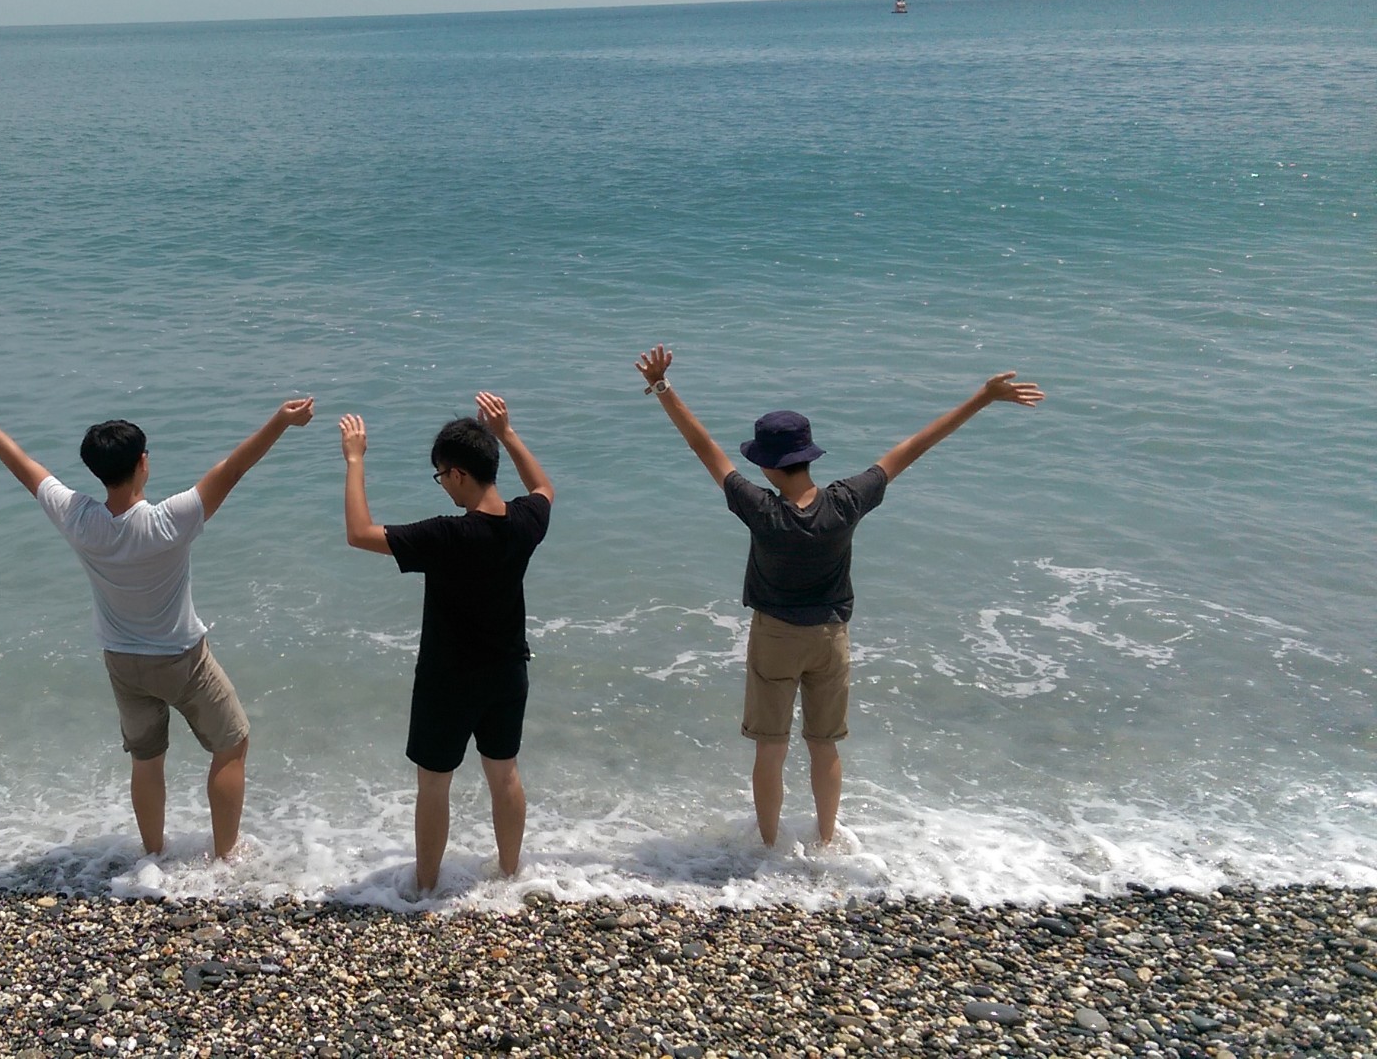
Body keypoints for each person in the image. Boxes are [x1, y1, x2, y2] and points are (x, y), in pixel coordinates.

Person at [632, 345, 1044, 848]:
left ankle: (768, 848)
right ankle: (826, 842)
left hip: (775, 638)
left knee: (770, 748)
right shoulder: (846, 502)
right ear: (807, 457)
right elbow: (913, 447)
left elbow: (704, 448)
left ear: (768, 466)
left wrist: (662, 388)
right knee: (824, 747)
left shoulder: (760, 509)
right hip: (830, 638)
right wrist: (982, 397)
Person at [0, 379, 313, 861]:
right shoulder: (170, 520)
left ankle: (154, 855)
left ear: (96, 471)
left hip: (123, 663)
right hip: (182, 660)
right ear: (143, 462)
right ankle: (226, 857)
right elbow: (234, 468)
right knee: (232, 745)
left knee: (147, 760)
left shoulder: (79, 519)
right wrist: (280, 421)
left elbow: (23, 466)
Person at [339, 393, 554, 895]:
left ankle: (426, 886)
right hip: (508, 672)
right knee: (504, 774)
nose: (442, 484)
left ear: (458, 474)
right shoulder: (525, 522)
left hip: (447, 679)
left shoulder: (446, 536)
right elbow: (543, 487)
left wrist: (354, 459)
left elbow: (358, 533)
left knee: (434, 785)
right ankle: (509, 875)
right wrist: (507, 432)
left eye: (441, 476)